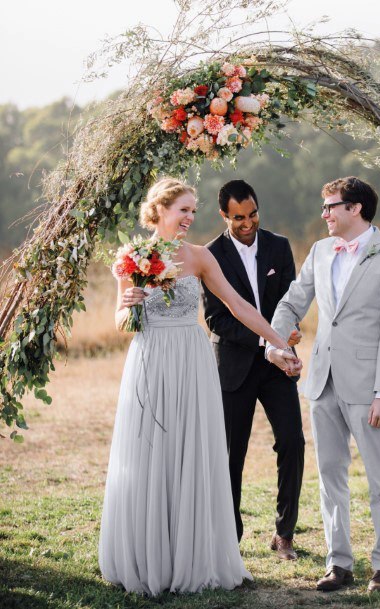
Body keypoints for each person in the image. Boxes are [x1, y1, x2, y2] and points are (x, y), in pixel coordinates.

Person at [98, 177, 300, 596]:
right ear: (160, 211)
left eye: (194, 210)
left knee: (191, 453)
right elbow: (119, 322)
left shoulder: (201, 257)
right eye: (184, 210)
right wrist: (129, 306)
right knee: (152, 454)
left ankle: (193, 554)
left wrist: (277, 341)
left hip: (191, 362)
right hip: (151, 360)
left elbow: (238, 306)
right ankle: (149, 554)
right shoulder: (131, 256)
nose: (191, 217)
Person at [267, 176, 380, 595]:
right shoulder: (320, 250)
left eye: (331, 206)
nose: (325, 214)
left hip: (370, 388)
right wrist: (277, 343)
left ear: (356, 208)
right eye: (323, 207)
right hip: (322, 382)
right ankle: (339, 563)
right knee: (330, 476)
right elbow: (292, 302)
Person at [201, 180, 305, 560]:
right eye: (239, 217)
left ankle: (285, 533)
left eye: (253, 213)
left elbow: (288, 303)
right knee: (232, 454)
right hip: (235, 366)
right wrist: (269, 344)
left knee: (292, 442)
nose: (248, 223)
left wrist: (290, 336)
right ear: (224, 216)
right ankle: (231, 539)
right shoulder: (211, 255)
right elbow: (217, 321)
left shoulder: (279, 245)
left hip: (278, 366)